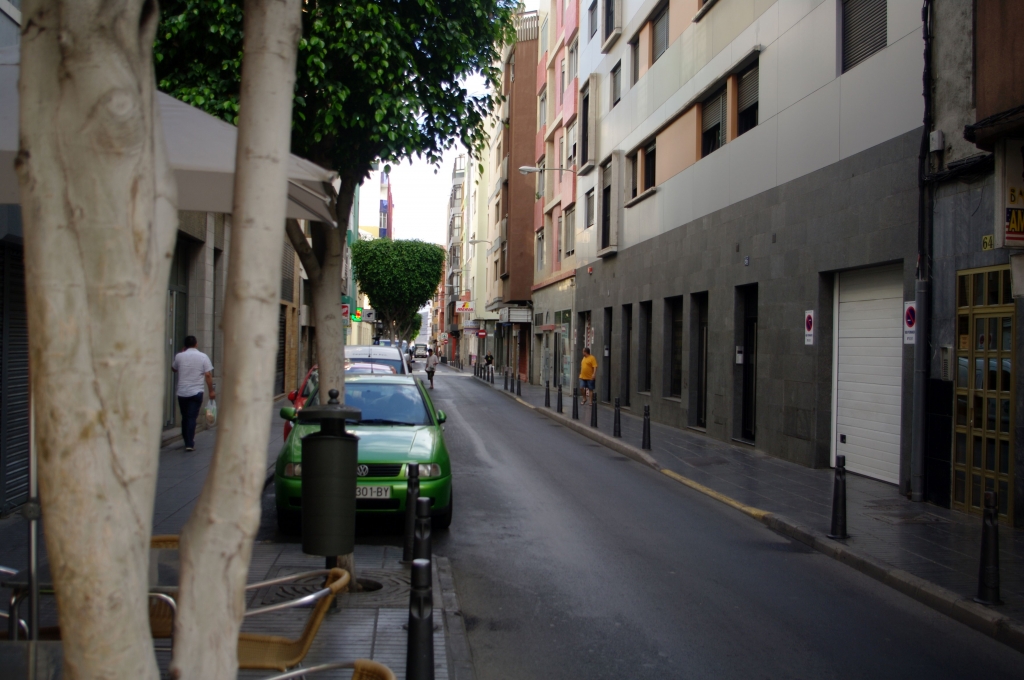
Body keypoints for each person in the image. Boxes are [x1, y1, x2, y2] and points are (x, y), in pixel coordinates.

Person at [171, 335, 215, 451]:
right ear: (196, 344)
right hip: (196, 392)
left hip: (182, 392)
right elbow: (208, 375)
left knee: (185, 416)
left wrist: (181, 355)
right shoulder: (203, 356)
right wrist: (211, 390)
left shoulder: (179, 356)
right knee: (191, 417)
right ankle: (189, 443)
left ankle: (186, 439)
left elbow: (174, 369)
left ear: (185, 345)